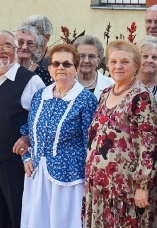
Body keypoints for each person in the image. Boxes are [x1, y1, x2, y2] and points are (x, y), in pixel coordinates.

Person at [83, 40, 157, 228]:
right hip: (100, 186)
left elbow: (149, 143)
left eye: (124, 62)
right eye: (113, 61)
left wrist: (142, 185)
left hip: (126, 188)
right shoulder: (105, 93)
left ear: (136, 65)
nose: (118, 66)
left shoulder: (140, 95)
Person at [21, 44, 97, 228]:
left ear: (77, 68)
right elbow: (29, 130)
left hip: (68, 178)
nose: (60, 68)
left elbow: (91, 142)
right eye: (55, 64)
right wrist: (27, 157)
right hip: (38, 173)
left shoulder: (86, 99)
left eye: (66, 64)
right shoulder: (40, 95)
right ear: (49, 69)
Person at [0, 30, 44, 228]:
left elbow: (43, 119)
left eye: (6, 46)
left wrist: (29, 138)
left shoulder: (31, 81)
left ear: (16, 50)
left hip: (14, 164)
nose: (0, 51)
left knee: (17, 217)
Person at [73, 35, 113, 99]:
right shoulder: (66, 83)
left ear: (98, 60)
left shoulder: (111, 85)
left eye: (91, 56)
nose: (86, 61)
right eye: (81, 56)